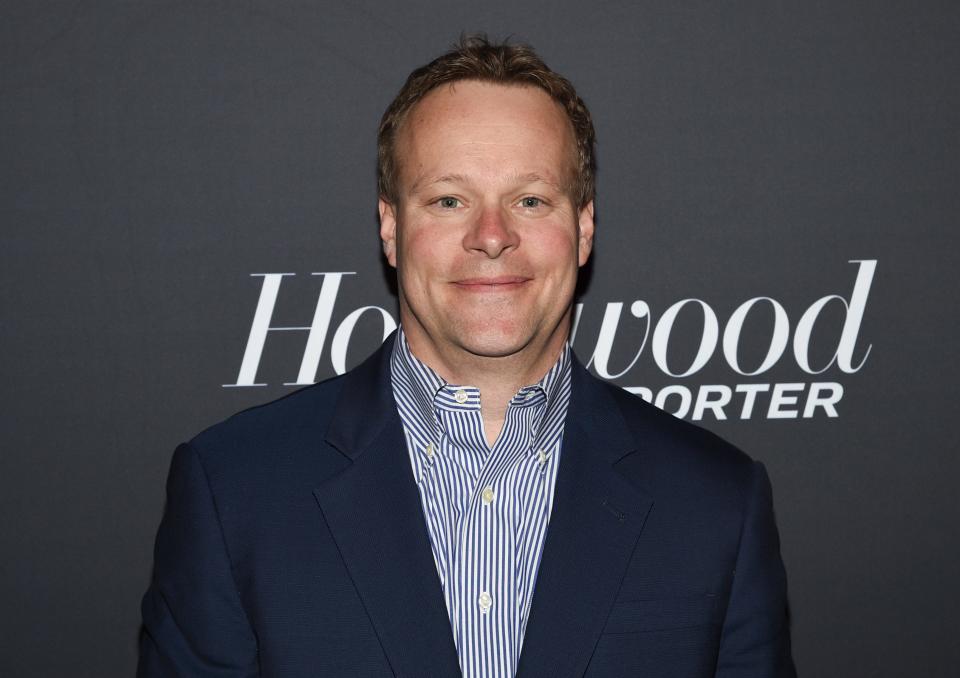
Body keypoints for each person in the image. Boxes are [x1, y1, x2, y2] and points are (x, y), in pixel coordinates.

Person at [138, 35, 796, 678]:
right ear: (391, 228)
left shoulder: (716, 503)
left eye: (529, 200)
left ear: (584, 227)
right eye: (449, 200)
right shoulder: (234, 492)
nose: (491, 236)